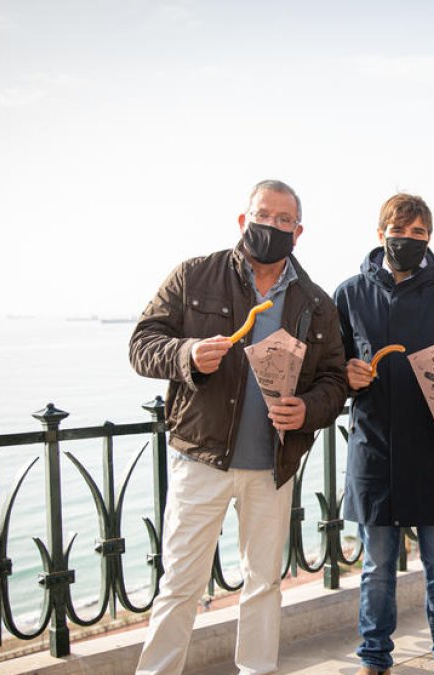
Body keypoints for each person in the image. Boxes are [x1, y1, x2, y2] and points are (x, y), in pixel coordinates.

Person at [129, 179, 348, 675]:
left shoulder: (315, 302)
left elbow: (335, 379)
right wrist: (186, 354)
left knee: (265, 582)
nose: (271, 226)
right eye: (262, 216)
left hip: (273, 464)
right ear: (242, 220)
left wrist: (308, 410)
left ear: (299, 231)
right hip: (200, 458)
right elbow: (142, 344)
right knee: (180, 582)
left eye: (283, 220)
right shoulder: (194, 275)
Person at [335, 193, 434, 675]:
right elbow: (328, 365)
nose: (408, 240)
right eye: (399, 231)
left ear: (430, 237)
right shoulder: (348, 293)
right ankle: (374, 658)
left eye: (419, 233)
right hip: (374, 451)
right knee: (376, 569)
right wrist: (347, 373)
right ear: (379, 232)